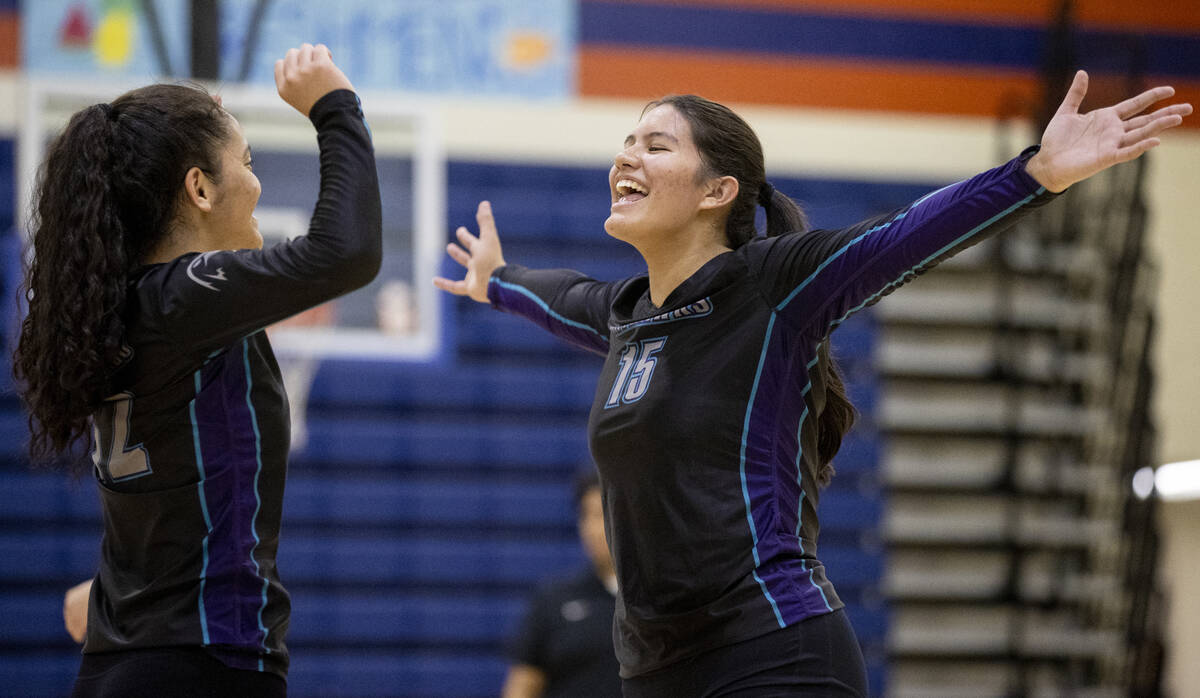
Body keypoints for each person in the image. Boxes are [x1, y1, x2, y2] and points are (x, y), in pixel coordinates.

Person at [434, 71, 1190, 696]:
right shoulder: (629, 316)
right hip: (655, 673)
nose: (625, 156)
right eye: (625, 141)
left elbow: (902, 237)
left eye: (655, 144)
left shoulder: (771, 286)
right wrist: (496, 280)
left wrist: (1035, 175)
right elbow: (560, 294)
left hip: (773, 652)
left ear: (716, 191)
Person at [14, 43, 381, 697]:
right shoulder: (184, 297)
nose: (258, 182)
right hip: (202, 664)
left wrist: (115, 592)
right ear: (200, 187)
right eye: (246, 161)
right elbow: (346, 252)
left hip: (118, 661)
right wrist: (335, 107)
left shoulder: (120, 305)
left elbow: (174, 486)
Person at [503, 469, 623, 698]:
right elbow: (522, 686)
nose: (591, 529)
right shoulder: (553, 599)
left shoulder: (658, 601)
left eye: (600, 515)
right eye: (585, 515)